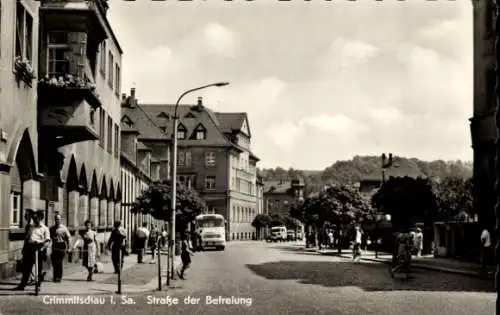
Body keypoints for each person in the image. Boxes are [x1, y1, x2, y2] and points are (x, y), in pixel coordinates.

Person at [15, 211, 50, 290]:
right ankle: (22, 285)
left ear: (40, 218)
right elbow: (27, 238)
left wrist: (42, 248)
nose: (34, 219)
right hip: (30, 248)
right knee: (26, 267)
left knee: (39, 268)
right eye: (34, 218)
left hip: (39, 248)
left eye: (36, 218)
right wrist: (25, 249)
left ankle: (38, 285)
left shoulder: (45, 228)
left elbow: (47, 240)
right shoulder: (31, 227)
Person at [49, 214, 71, 282]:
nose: (57, 220)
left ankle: (58, 277)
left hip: (61, 245)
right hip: (54, 246)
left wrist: (69, 248)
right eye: (56, 219)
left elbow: (68, 238)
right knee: (54, 262)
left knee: (59, 262)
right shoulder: (52, 228)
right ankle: (55, 276)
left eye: (58, 219)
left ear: (60, 220)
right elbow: (49, 238)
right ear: (54, 220)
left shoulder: (64, 228)